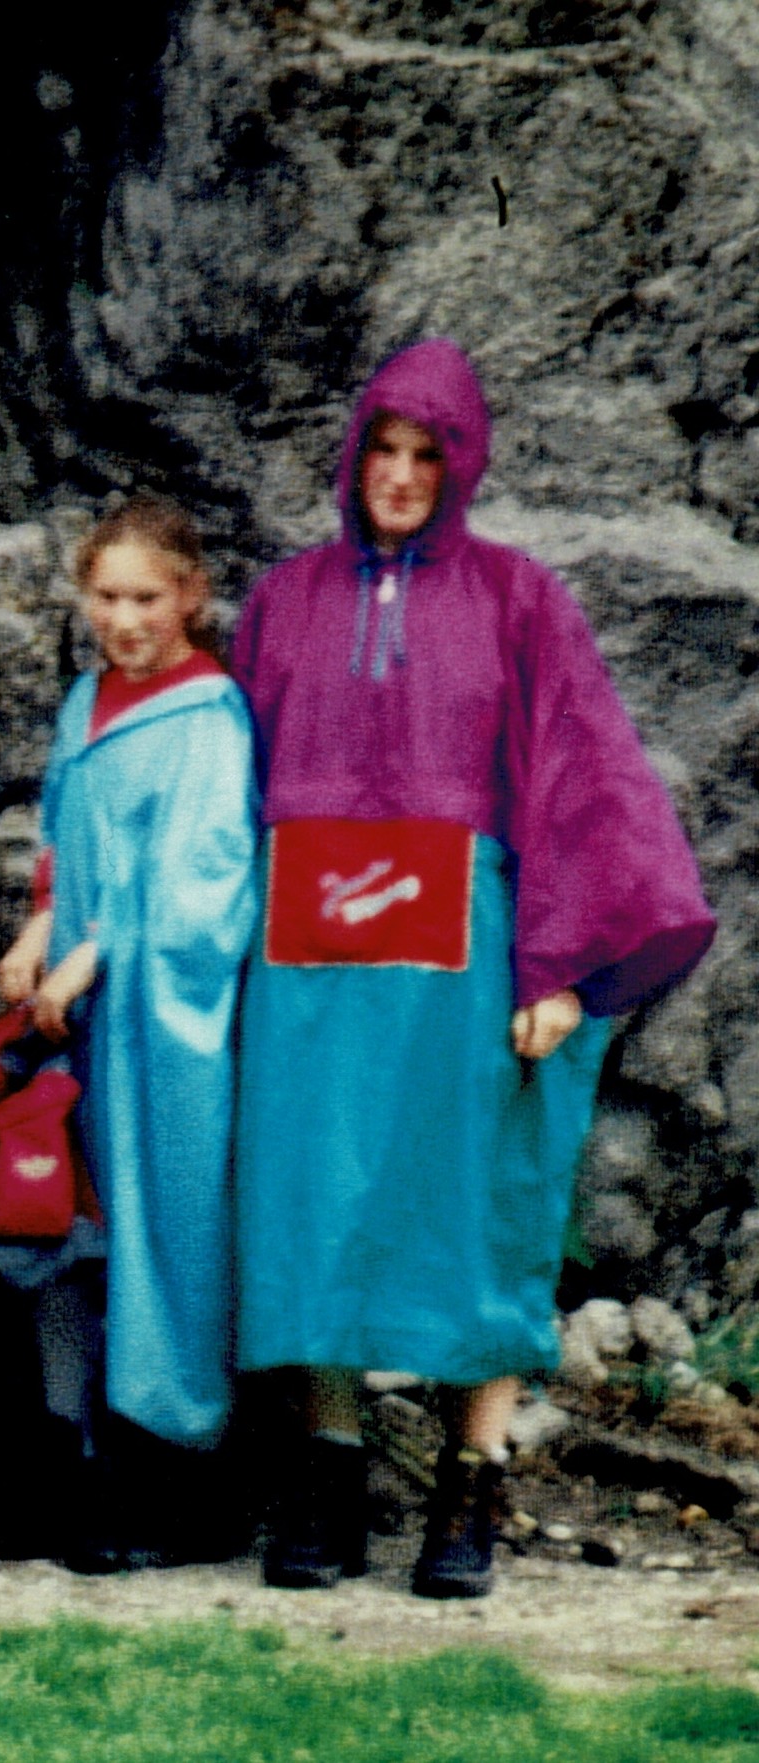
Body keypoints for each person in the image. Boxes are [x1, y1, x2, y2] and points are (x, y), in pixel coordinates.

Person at [231, 338, 713, 1599]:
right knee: (317, 1192)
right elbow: (220, 791)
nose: (398, 475)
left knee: (477, 1194)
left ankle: (471, 1480)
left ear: (462, 465)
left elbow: (581, 778)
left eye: (425, 453)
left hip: (468, 960)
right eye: (381, 449)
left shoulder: (518, 599)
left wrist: (560, 968)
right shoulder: (283, 602)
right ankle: (329, 1473)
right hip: (310, 962)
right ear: (353, 456)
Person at [0, 496, 257, 1570]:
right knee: (76, 1220)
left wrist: (99, 951)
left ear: (191, 595)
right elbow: (62, 835)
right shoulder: (84, 701)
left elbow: (205, 882)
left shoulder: (211, 716)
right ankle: (77, 1469)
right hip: (81, 1013)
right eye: (105, 595)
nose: (125, 617)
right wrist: (37, 927)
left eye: (147, 596)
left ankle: (178, 1480)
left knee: (170, 1224)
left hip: (164, 1024)